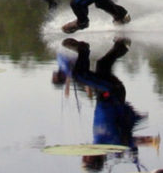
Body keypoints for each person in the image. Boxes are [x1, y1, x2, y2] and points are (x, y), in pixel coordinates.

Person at [55, 37, 147, 172]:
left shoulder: (98, 143)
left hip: (105, 93)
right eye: (86, 159)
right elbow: (131, 142)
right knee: (80, 75)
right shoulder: (114, 145)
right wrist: (134, 151)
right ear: (94, 159)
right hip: (111, 92)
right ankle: (84, 49)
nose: (83, 156)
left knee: (102, 65)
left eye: (83, 159)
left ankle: (122, 45)